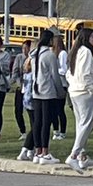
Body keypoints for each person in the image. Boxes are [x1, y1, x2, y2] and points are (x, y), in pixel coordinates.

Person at [65, 28, 93, 171]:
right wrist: (91, 88)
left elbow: (68, 73)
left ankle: (81, 155)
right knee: (86, 123)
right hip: (84, 91)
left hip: (74, 91)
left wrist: (73, 84)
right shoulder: (85, 52)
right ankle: (74, 155)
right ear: (86, 38)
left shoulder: (75, 51)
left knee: (82, 124)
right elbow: (85, 74)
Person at [30, 29, 63, 165]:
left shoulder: (34, 54)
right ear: (50, 40)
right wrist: (60, 91)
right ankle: (45, 152)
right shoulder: (49, 55)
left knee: (37, 122)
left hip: (36, 91)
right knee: (46, 122)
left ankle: (37, 151)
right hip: (48, 92)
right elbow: (55, 75)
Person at [52, 33, 69, 140]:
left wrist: (54, 71)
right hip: (54, 84)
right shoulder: (53, 54)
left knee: (60, 109)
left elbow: (64, 70)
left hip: (62, 84)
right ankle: (55, 130)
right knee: (54, 110)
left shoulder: (62, 53)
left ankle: (62, 131)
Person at [13, 39, 31, 136]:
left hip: (30, 87)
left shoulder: (33, 58)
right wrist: (18, 84)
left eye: (26, 48)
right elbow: (15, 72)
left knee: (31, 110)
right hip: (21, 86)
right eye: (23, 48)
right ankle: (22, 131)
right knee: (18, 110)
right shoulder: (19, 57)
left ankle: (33, 130)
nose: (24, 50)